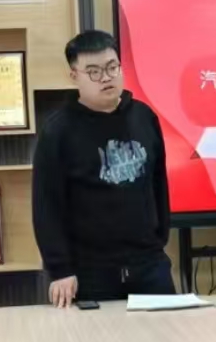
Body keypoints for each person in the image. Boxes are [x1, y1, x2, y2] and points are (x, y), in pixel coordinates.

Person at [33, 30, 174, 307]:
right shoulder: (58, 130)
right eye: (94, 72)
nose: (106, 77)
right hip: (90, 273)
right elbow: (47, 205)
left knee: (168, 333)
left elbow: (158, 185)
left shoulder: (144, 117)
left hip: (150, 265)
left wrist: (159, 239)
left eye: (112, 67)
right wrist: (60, 269)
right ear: (74, 76)